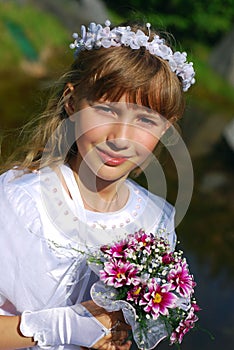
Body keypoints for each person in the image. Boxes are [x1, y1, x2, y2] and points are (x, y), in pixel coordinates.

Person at [0, 19, 195, 350]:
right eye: (106, 110)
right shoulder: (17, 202)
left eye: (145, 120)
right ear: (72, 103)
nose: (120, 139)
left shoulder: (155, 220)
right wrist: (58, 326)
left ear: (166, 129)